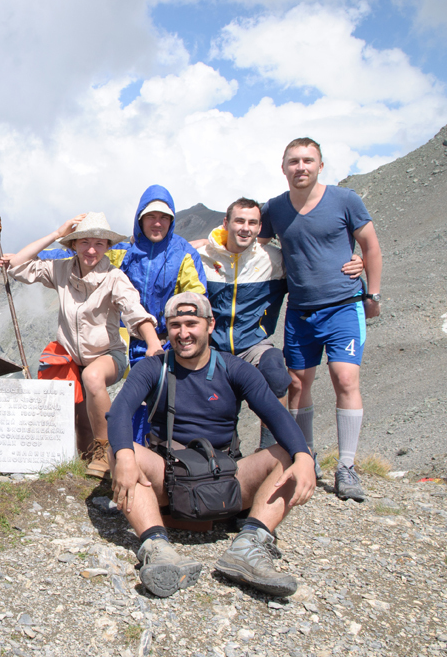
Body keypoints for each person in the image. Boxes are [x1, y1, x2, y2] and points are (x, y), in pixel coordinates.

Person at [107, 292, 315, 598]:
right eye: (175, 325)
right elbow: (119, 412)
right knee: (121, 451)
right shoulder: (153, 368)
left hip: (226, 480)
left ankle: (250, 546)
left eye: (192, 323)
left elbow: (277, 415)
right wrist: (124, 455)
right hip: (169, 477)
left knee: (287, 455)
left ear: (210, 325)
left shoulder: (234, 368)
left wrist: (304, 457)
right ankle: (158, 548)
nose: (183, 333)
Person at [197, 198, 363, 470]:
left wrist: (361, 262)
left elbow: (316, 271)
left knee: (276, 370)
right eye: (239, 221)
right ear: (226, 223)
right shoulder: (203, 256)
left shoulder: (274, 259)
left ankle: (268, 450)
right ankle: (222, 449)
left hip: (254, 344)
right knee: (208, 394)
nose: (245, 228)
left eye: (252, 222)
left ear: (260, 227)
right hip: (213, 346)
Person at [258, 138, 383, 502]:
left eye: (308, 160)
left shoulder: (346, 200)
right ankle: (306, 458)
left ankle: (346, 467)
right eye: (293, 161)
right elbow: (251, 245)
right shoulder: (275, 209)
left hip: (344, 305)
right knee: (297, 384)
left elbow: (370, 246)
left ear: (320, 165)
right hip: (300, 311)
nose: (301, 167)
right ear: (283, 168)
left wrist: (372, 294)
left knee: (345, 377)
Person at [0, 211, 162, 478]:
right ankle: (88, 468)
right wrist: (56, 233)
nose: (91, 249)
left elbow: (134, 310)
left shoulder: (114, 278)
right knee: (81, 421)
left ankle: (108, 451)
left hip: (108, 355)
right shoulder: (62, 270)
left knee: (93, 377)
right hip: (71, 358)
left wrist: (153, 342)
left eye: (99, 243)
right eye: (84, 241)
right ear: (73, 244)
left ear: (108, 247)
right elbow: (17, 266)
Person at [108, 185, 207, 443]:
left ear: (171, 220)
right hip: (122, 339)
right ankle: (119, 451)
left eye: (164, 217)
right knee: (126, 398)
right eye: (151, 216)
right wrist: (22, 258)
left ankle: (148, 454)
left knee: (156, 398)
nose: (157, 223)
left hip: (163, 340)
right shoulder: (122, 250)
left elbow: (195, 297)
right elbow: (76, 255)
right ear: (140, 218)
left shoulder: (184, 253)